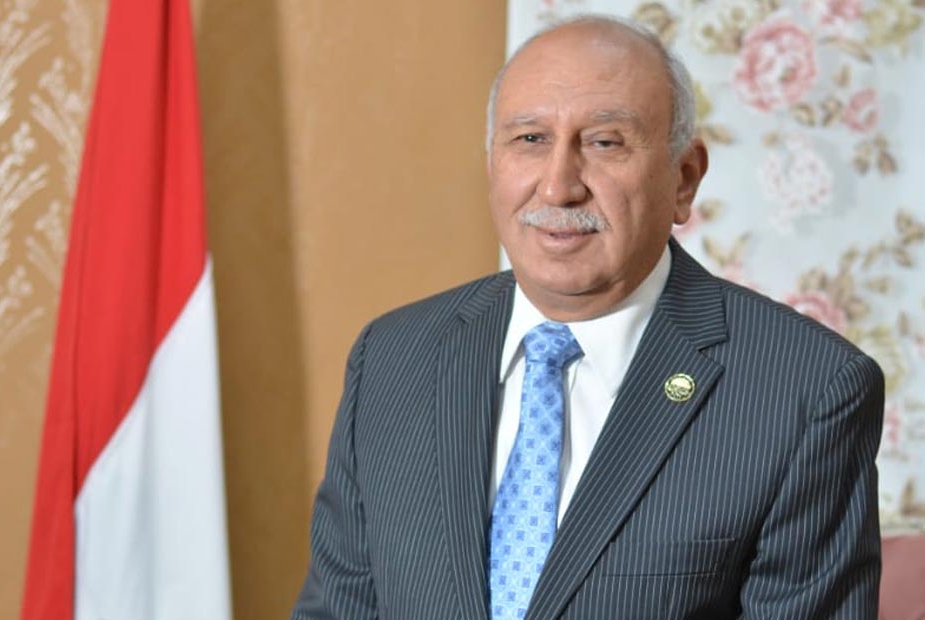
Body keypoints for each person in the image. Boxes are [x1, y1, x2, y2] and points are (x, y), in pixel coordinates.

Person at [292, 15, 884, 620]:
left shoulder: (807, 388)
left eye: (604, 143)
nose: (558, 188)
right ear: (493, 163)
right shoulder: (392, 358)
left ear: (683, 180)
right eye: (529, 139)